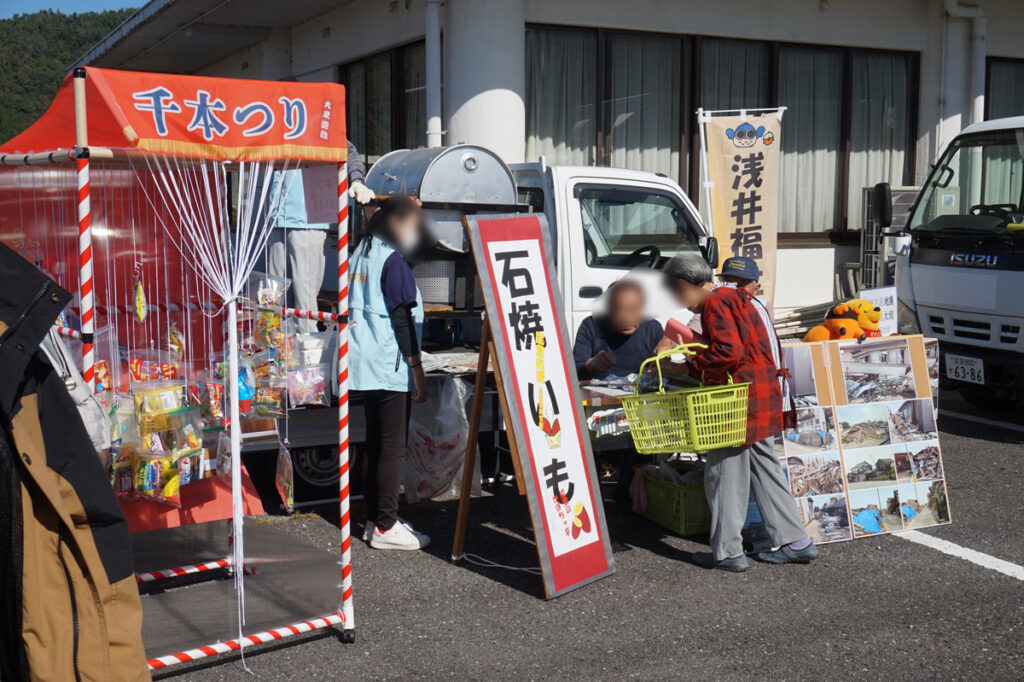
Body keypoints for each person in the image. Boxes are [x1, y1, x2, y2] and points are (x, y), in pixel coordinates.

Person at [662, 254, 817, 571]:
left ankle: (728, 552)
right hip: (761, 395)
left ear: (683, 285)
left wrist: (693, 364)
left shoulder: (716, 302)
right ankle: (797, 541)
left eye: (675, 293)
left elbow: (728, 352)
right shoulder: (736, 297)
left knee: (722, 472)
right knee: (765, 469)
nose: (678, 301)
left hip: (738, 402)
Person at [350, 195, 431, 551]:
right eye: (413, 224)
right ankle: (385, 524)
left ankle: (375, 519)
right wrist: (418, 370)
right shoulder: (393, 260)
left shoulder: (361, 251)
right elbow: (401, 318)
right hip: (389, 361)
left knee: (375, 442)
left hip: (362, 359)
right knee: (392, 446)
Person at [268, 140, 376, 333]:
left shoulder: (317, 121)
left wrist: (357, 180)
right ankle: (278, 345)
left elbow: (347, 150)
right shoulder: (278, 120)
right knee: (274, 292)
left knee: (304, 292)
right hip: (277, 217)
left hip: (309, 217)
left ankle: (307, 347)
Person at [574, 279, 663, 380]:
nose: (628, 319)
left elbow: (664, 370)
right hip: (598, 393)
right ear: (608, 308)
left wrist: (657, 368)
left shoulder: (652, 329)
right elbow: (575, 372)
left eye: (634, 310)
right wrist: (592, 364)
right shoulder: (591, 326)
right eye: (621, 310)